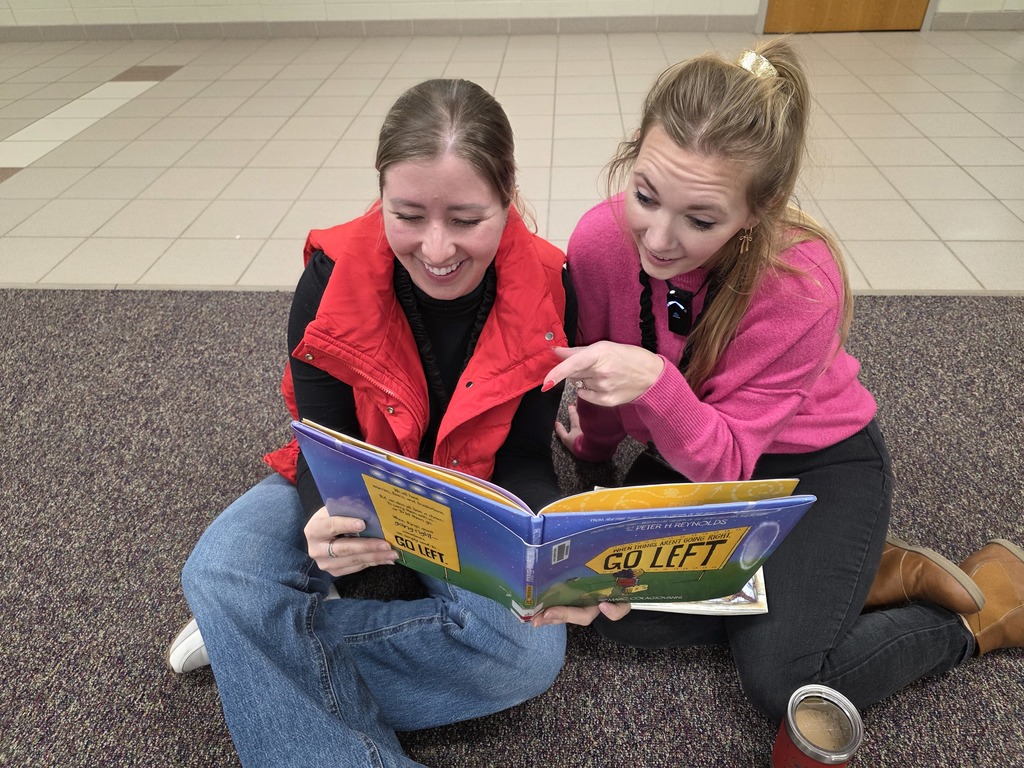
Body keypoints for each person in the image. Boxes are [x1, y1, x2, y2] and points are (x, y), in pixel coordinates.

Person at [530, 40, 1024, 724]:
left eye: (701, 219)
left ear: (760, 210)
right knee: (598, 606)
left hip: (813, 463)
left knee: (786, 685)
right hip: (689, 451)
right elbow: (604, 369)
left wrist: (653, 380)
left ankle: (988, 607)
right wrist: (591, 458)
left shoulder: (800, 281)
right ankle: (841, 577)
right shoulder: (597, 241)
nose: (659, 238)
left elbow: (727, 454)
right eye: (645, 195)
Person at [170, 78, 576, 768]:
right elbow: (320, 441)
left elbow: (526, 458)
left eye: (467, 219)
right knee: (219, 570)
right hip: (359, 474)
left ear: (508, 201)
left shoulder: (551, 284)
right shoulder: (330, 279)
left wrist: (547, 549)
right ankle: (250, 636)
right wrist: (321, 517)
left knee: (526, 651)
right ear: (380, 196)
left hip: (468, 492)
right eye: (409, 215)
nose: (437, 248)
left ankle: (253, 649)